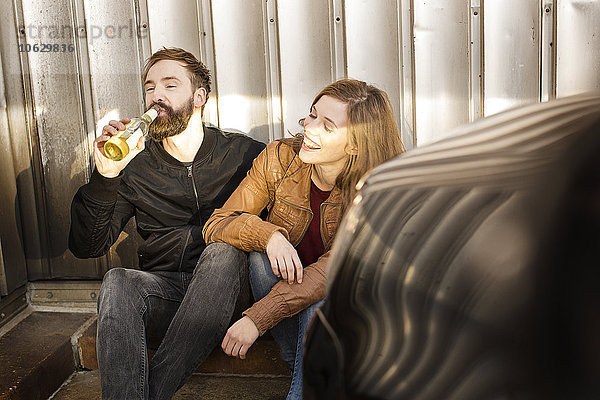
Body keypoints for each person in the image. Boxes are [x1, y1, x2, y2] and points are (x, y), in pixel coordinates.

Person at [68, 47, 265, 399]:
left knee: (223, 251)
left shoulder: (243, 154)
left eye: (170, 85)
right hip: (168, 295)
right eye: (149, 87)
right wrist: (105, 175)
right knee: (117, 280)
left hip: (230, 296)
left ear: (199, 96)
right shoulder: (134, 166)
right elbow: (87, 247)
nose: (156, 95)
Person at [202, 78, 406, 399]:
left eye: (327, 126)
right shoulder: (280, 158)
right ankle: (305, 367)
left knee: (321, 305)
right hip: (291, 297)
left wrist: (257, 318)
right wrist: (269, 235)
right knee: (259, 258)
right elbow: (218, 224)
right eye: (312, 115)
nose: (309, 129)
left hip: (355, 306)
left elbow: (332, 271)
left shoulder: (380, 188)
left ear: (355, 144)